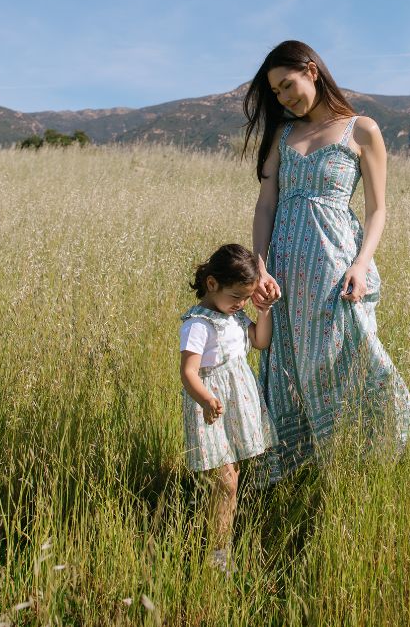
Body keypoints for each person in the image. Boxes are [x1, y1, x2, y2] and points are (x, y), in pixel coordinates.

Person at [243, 40, 410, 484]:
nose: (283, 98)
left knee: (351, 357)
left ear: (312, 70)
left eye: (287, 85)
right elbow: (265, 205)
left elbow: (377, 210)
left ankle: (367, 462)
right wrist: (260, 268)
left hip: (335, 268)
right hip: (282, 274)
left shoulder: (361, 130)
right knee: (288, 363)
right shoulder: (282, 135)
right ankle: (299, 473)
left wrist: (362, 264)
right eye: (275, 92)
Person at [180, 243, 277, 572]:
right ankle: (218, 555)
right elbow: (188, 373)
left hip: (236, 408)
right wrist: (206, 399)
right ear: (212, 284)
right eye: (236, 296)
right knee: (226, 482)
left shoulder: (234, 316)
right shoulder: (198, 324)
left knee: (230, 478)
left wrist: (264, 311)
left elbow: (260, 341)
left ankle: (221, 545)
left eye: (246, 298)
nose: (241, 304)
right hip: (211, 410)